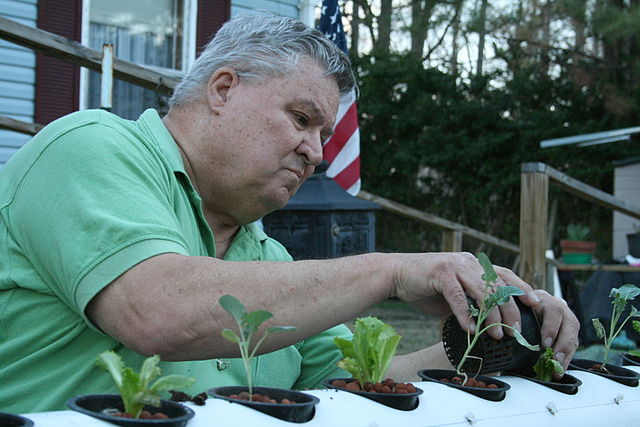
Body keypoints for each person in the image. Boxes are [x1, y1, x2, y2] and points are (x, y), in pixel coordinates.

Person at [0, 13, 579, 413]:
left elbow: (358, 380)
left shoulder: (267, 256)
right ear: (222, 89)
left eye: (326, 131)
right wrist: (392, 272)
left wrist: (493, 345)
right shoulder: (89, 147)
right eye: (302, 119)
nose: (318, 151)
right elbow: (157, 312)